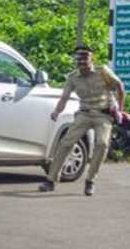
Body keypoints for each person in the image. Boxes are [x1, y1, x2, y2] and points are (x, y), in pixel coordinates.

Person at [39, 45, 125, 196]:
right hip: (84, 114)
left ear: (91, 59)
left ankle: (90, 180)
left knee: (102, 144)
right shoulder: (73, 78)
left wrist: (121, 110)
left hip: (103, 114)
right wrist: (56, 112)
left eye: (85, 58)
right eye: (78, 59)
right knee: (66, 143)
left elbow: (120, 86)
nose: (81, 62)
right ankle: (50, 180)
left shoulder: (102, 71)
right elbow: (64, 97)